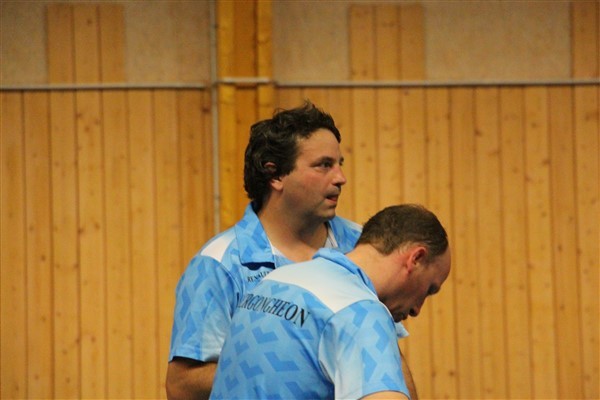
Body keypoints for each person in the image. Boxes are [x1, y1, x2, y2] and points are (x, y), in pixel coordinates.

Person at [166, 101, 416, 399]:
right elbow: (181, 386)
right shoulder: (218, 264)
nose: (340, 178)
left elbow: (388, 357)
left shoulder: (361, 244)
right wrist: (293, 360)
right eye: (324, 165)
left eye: (340, 164)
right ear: (275, 175)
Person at [210, 204, 451, 400]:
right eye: (429, 289)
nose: (417, 309)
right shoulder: (359, 311)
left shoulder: (272, 282)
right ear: (416, 258)